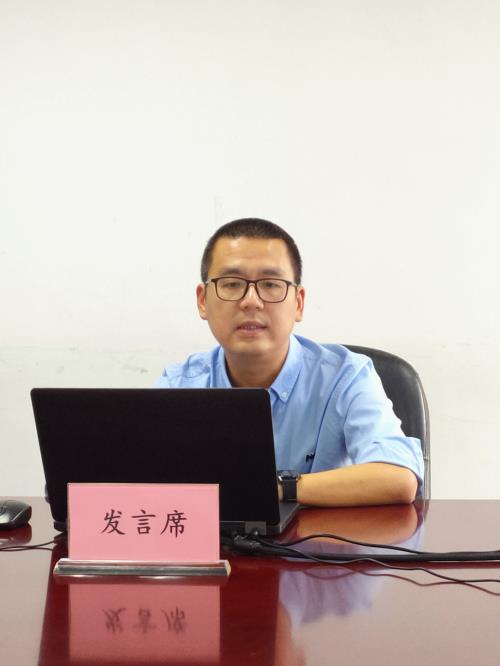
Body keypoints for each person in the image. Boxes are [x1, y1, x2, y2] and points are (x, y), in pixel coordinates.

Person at [156, 218, 424, 506]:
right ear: (202, 301)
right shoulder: (178, 385)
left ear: (298, 303)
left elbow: (399, 477)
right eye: (231, 284)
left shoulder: (346, 376)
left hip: (320, 535)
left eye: (271, 284)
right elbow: (138, 482)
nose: (251, 301)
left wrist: (277, 489)